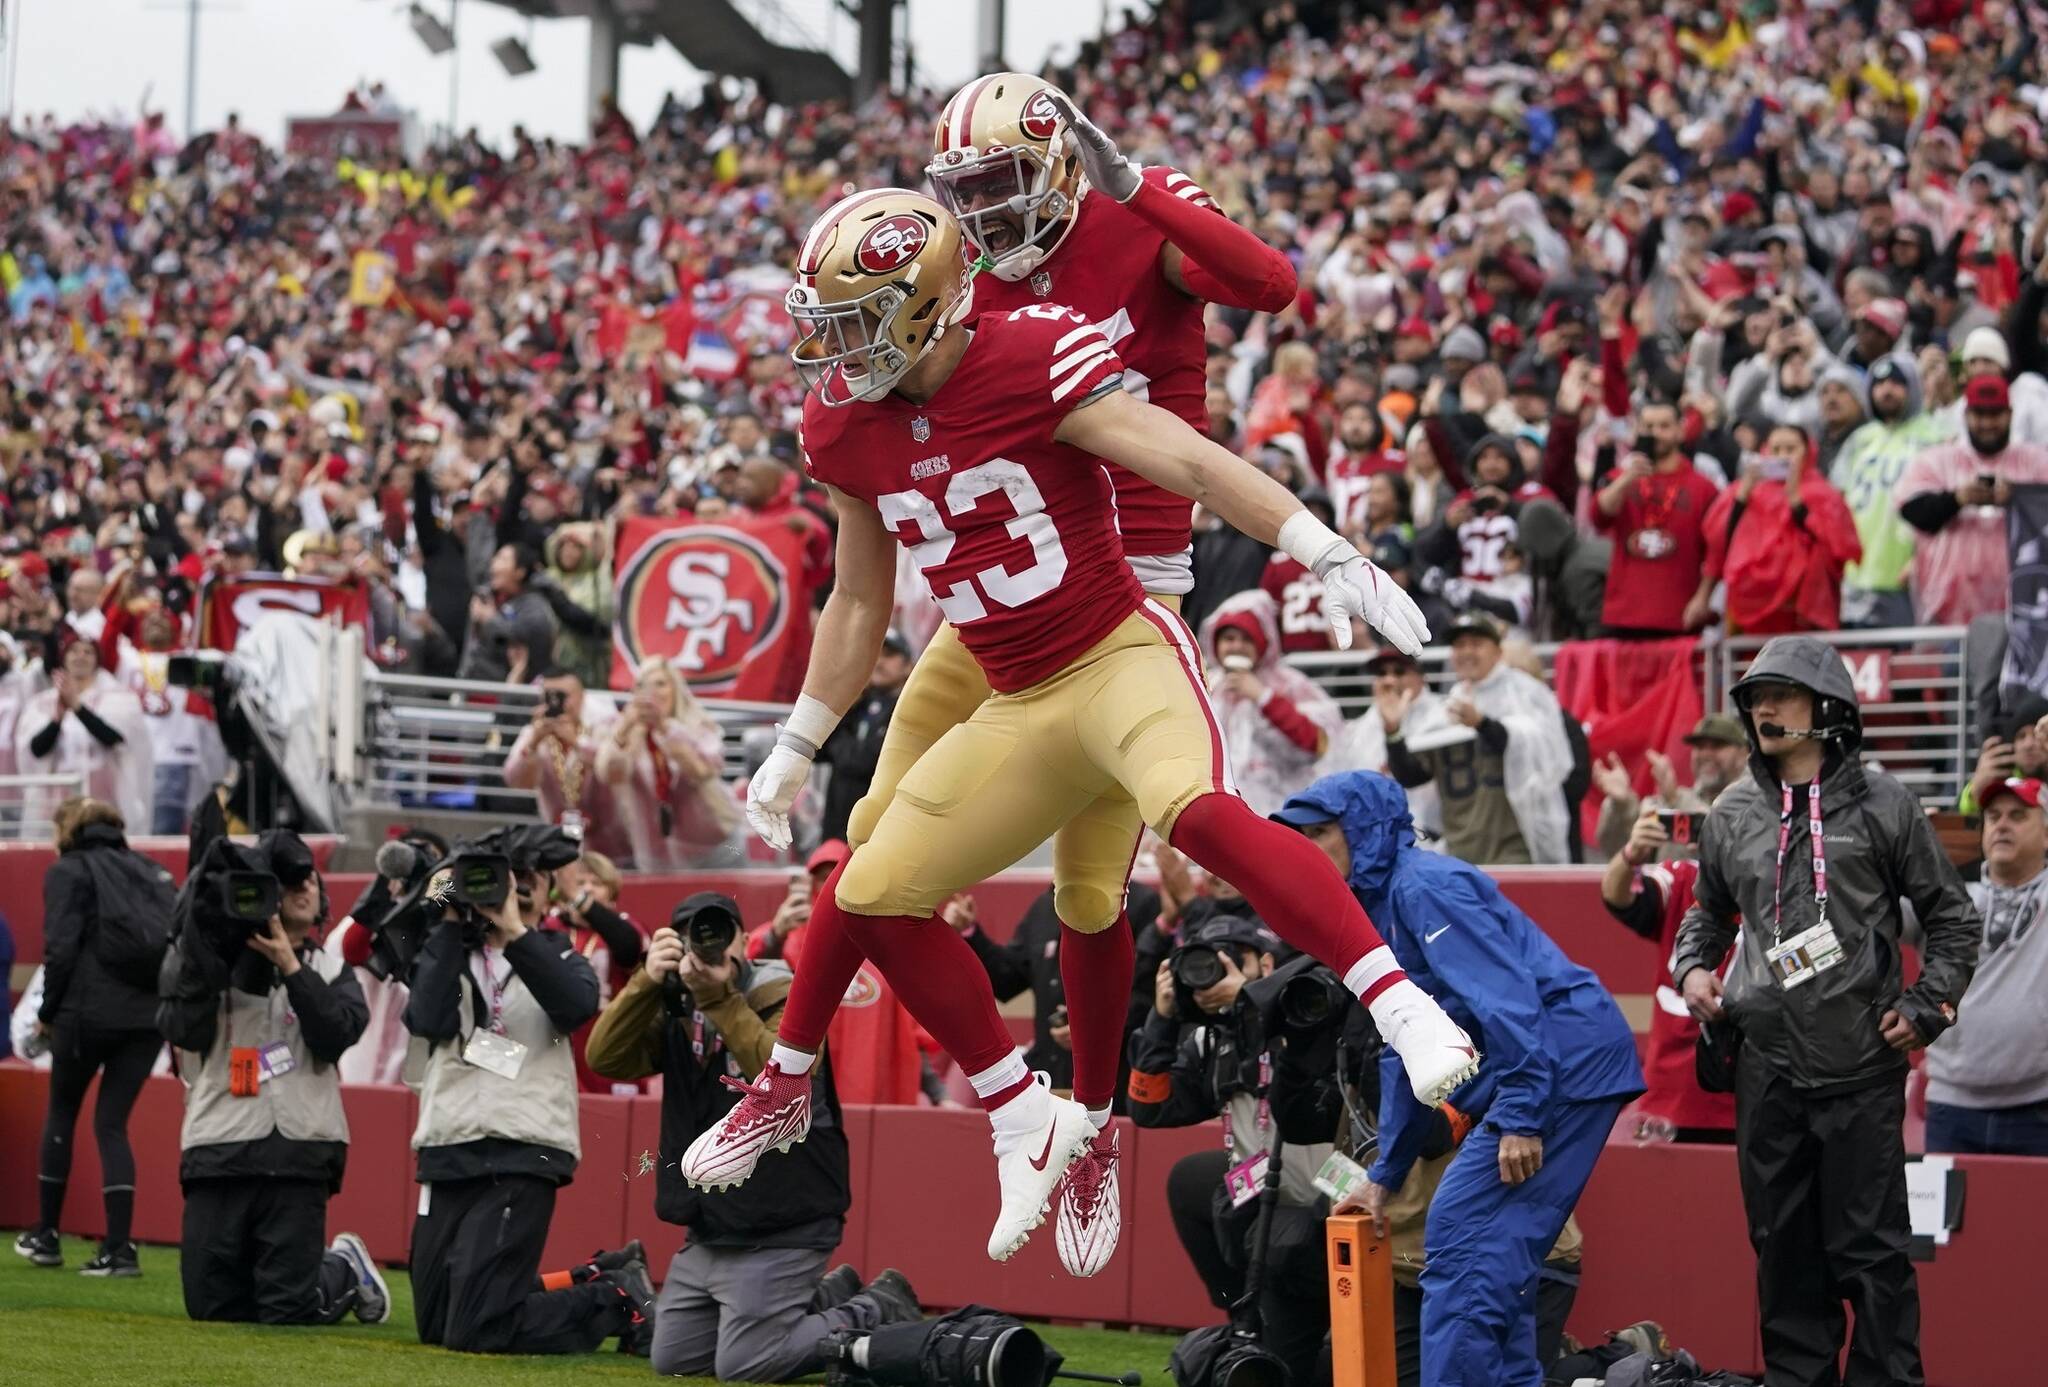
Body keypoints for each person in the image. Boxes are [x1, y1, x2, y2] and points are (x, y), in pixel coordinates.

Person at [688, 187, 1473, 1272]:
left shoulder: (1030, 351)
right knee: (868, 879)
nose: (831, 349)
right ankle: (1009, 1111)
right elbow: (857, 601)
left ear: (924, 311)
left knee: (1172, 824)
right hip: (1003, 681)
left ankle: (1389, 1006)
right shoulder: (842, 422)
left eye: (856, 318)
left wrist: (1319, 544)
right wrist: (795, 741)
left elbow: (1187, 459)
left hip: (1114, 647)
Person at [735, 71, 1304, 1265]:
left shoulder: (1129, 223)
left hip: (1123, 594)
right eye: (965, 193)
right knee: (868, 833)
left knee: (1093, 893)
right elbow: (878, 532)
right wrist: (798, 731)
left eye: (1002, 185)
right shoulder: (956, 290)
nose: (987, 216)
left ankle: (1089, 1121)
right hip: (992, 609)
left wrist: (1138, 188)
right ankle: (790, 1071)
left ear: (1059, 162)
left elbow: (1267, 286)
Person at [1673, 635, 1980, 1387]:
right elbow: (1704, 916)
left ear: (1828, 706)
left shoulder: (1886, 803)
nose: (1764, 709)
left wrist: (1930, 1004)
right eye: (1754, 698)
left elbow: (1954, 918)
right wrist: (1691, 970)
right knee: (1783, 1260)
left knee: (1873, 1261)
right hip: (1766, 1071)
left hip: (1862, 1070)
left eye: (1781, 694)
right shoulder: (1734, 810)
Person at [1274, 772, 1642, 1387]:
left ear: (1363, 832)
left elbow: (1507, 1000)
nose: (1306, 848)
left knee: (1464, 1240)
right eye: (1300, 835)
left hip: (1563, 1063)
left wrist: (1523, 1112)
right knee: (1489, 1256)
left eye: (1320, 832)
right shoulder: (1379, 904)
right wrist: (1385, 1176)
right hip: (1551, 1064)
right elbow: (1404, 1048)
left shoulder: (1424, 887)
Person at [586, 894, 922, 1379]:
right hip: (713, 1224)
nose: (705, 947)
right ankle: (825, 1296)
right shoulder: (673, 1004)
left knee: (746, 1363)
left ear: (746, 939)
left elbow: (780, 1078)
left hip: (785, 1218)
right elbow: (604, 1059)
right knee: (674, 1359)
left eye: (719, 932)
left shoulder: (784, 992)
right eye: (687, 937)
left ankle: (874, 1308)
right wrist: (645, 981)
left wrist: (719, 1000)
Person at [401, 847, 647, 1355]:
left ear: (544, 893)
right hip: (449, 1138)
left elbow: (577, 1007)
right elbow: (425, 1019)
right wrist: (449, 914)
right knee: (439, 1322)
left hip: (524, 1144)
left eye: (530, 877)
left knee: (476, 1328)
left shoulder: (561, 951)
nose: (517, 883)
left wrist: (514, 930)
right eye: (506, 876)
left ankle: (617, 1300)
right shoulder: (448, 947)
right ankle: (590, 1276)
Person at [156, 828, 389, 1325]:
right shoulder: (211, 960)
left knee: (287, 1312)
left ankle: (343, 1271)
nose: (304, 889)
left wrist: (288, 962)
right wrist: (202, 943)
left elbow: (335, 1034)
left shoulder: (328, 964)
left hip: (299, 1151)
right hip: (219, 1145)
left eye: (310, 880)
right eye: (286, 883)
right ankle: (335, 1267)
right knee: (213, 1311)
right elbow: (182, 1030)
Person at [1126, 916, 1332, 1386]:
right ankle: (1242, 1310)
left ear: (1264, 964)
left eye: (1229, 962)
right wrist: (1162, 1019)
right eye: (1202, 965)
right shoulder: (1212, 1037)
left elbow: (1301, 1060)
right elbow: (1150, 1108)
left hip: (1338, 1208)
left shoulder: (1307, 1013)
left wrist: (1250, 1004)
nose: (1214, 976)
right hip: (1273, 1222)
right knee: (1193, 1183)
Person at [12, 797, 171, 1275]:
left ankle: (47, 1234)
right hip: (147, 1017)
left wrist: (47, 1013)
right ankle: (120, 1248)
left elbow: (59, 950)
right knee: (112, 1125)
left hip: (87, 1014)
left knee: (62, 1112)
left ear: (68, 830)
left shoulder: (69, 871)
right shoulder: (150, 871)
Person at [1383, 612, 1573, 865]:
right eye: (1459, 645)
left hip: (1515, 846)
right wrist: (1393, 732)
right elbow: (1413, 776)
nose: (1467, 652)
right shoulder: (1444, 709)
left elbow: (1550, 758)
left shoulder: (1526, 693)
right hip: (1461, 847)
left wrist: (1483, 724)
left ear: (1497, 651)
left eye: (1476, 643)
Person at [1599, 804, 1739, 1143]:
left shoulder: (1791, 890)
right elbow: (1618, 898)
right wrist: (1631, 854)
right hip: (1674, 1093)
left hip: (1756, 1090)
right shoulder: (1684, 878)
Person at [1924, 777, 2048, 1155]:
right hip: (1951, 1105)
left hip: (2039, 1107)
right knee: (1951, 1218)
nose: (2002, 824)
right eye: (1992, 816)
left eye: (2018, 815)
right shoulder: (1946, 899)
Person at [1897, 375, 2048, 627]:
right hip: (1948, 618)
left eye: (1995, 414)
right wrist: (1957, 498)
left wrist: (2017, 496)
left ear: (2010, 414)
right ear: (1966, 414)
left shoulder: (2035, 461)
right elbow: (1911, 509)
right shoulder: (1938, 460)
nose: (1987, 423)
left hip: (2026, 618)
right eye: (1980, 414)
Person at [1692, 423, 1861, 635]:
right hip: (1748, 608)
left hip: (1800, 612)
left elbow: (1837, 546)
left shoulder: (1825, 495)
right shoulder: (1742, 492)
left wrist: (1796, 502)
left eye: (1790, 449)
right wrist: (1742, 496)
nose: (1782, 456)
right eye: (1776, 449)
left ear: (1807, 452)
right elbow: (1719, 544)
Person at [1198, 591, 1343, 816]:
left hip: (1280, 811)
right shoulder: (1204, 684)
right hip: (1219, 815)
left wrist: (1263, 697)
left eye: (1246, 639)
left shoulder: (1291, 684)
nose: (1237, 646)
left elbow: (1317, 744)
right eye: (1229, 639)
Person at [1831, 356, 1945, 628]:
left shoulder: (1937, 435)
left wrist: (1922, 558)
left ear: (1914, 387)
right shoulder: (1859, 440)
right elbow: (1834, 503)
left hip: (1907, 578)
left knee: (1905, 666)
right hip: (1855, 578)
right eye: (1879, 383)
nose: (1886, 390)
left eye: (1896, 382)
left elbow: (1947, 508)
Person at [1593, 399, 1723, 636]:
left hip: (1679, 615)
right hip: (1625, 615)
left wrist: (1703, 597)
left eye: (1664, 426)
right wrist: (1626, 478)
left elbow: (1717, 550)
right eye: (1649, 427)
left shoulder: (1703, 488)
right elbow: (1599, 515)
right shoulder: (1621, 479)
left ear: (1679, 431)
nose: (1656, 434)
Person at [596, 658, 733, 868]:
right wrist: (625, 729)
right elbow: (608, 773)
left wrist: (665, 729)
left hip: (711, 844)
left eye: (660, 683)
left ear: (675, 689)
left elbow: (704, 769)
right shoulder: (622, 730)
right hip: (654, 849)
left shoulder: (696, 724)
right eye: (642, 685)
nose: (652, 692)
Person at [14, 629, 152, 831]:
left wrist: (77, 707)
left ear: (97, 660)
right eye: (74, 651)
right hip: (59, 804)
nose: (81, 656)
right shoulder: (42, 703)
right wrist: (57, 719)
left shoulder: (118, 698)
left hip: (104, 801)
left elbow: (115, 738)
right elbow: (35, 750)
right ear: (64, 658)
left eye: (88, 652)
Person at [503, 666, 624, 859]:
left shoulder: (605, 726)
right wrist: (534, 742)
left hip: (613, 843)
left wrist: (576, 742)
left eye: (562, 696)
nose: (556, 702)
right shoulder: (534, 735)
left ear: (582, 696)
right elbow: (514, 779)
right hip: (557, 846)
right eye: (548, 696)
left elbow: (615, 767)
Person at [816, 631, 913, 844]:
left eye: (888, 655)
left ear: (907, 665)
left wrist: (839, 744)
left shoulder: (911, 709)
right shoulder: (856, 705)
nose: (879, 662)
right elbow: (817, 749)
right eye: (874, 654)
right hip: (836, 829)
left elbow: (864, 761)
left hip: (881, 832)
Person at [458, 541, 557, 684]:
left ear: (519, 572)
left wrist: (491, 620)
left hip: (509, 691)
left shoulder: (534, 605)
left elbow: (527, 637)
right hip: (473, 681)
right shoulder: (486, 598)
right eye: (496, 557)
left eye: (502, 559)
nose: (494, 563)